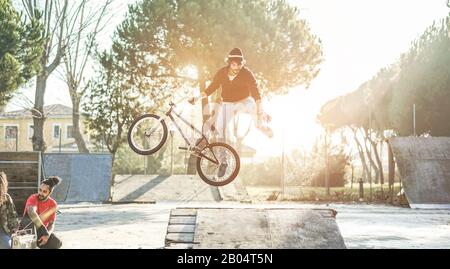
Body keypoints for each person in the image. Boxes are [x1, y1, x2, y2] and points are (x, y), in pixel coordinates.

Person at [189, 48, 273, 176]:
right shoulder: (222, 73)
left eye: (239, 64)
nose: (237, 67)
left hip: (244, 101)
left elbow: (255, 91)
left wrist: (261, 110)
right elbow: (211, 88)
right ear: (229, 63)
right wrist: (196, 98)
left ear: (242, 64)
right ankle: (223, 162)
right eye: (234, 64)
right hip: (228, 104)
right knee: (219, 128)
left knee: (253, 109)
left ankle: (261, 126)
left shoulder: (247, 73)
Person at [21, 176, 62, 249]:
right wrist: (44, 230)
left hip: (42, 234)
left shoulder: (53, 204)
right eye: (40, 190)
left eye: (44, 191)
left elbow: (51, 224)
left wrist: (47, 235)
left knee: (57, 242)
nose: (41, 193)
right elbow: (31, 212)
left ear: (50, 193)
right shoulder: (33, 198)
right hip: (27, 231)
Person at [0, 172, 19, 249]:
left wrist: (14, 230)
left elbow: (13, 215)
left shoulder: (6, 198)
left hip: (3, 230)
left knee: (7, 246)